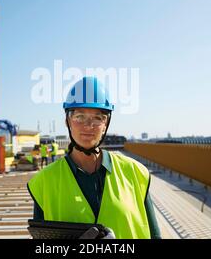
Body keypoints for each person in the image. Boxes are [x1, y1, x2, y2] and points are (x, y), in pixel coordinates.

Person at [27, 76, 161, 239]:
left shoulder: (135, 173)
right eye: (79, 117)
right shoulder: (44, 182)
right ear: (67, 121)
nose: (88, 126)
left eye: (97, 118)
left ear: (106, 125)